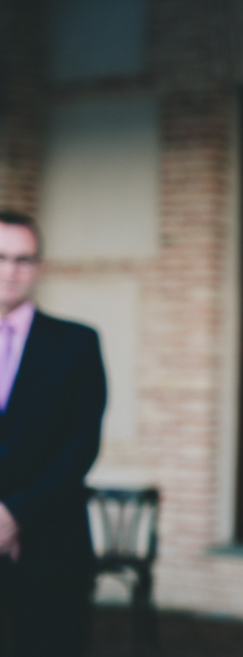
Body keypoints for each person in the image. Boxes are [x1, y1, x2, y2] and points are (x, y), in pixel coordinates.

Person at [0, 211, 106, 655]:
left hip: (49, 546)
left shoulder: (76, 343)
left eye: (24, 259)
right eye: (1, 257)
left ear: (39, 266)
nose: (11, 271)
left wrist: (14, 514)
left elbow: (81, 445)